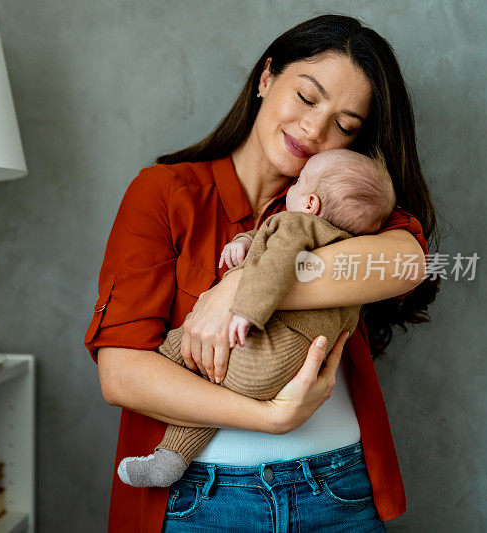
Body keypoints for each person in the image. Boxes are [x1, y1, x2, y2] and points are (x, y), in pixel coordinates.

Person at [84, 14, 438, 532]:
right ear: (266, 76)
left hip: (339, 491)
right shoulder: (164, 192)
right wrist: (271, 418)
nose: (315, 130)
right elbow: (121, 376)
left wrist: (238, 289)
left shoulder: (348, 202)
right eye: (307, 96)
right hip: (198, 501)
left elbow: (405, 263)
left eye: (345, 125)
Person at [117, 148, 399, 489]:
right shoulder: (349, 251)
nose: (289, 186)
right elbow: (280, 245)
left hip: (260, 353)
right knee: (214, 387)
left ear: (311, 204)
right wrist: (244, 241)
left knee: (187, 355)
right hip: (288, 375)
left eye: (298, 182)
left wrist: (245, 309)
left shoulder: (296, 222)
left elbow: (277, 261)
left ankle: (167, 416)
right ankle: (170, 459)